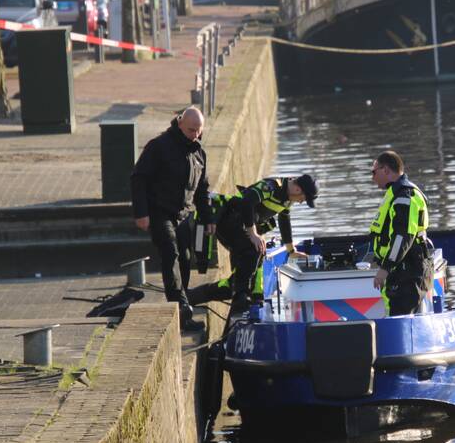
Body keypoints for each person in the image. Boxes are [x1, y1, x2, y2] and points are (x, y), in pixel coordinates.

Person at [130, 107, 214, 331]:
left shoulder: (199, 153)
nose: (195, 134)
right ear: (179, 124)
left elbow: (202, 190)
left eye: (199, 131)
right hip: (159, 211)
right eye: (191, 130)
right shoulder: (159, 147)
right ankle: (181, 307)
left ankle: (181, 308)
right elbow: (138, 178)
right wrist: (141, 212)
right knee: (170, 252)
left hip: (183, 214)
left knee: (185, 260)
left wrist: (208, 219)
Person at [195, 175, 318, 312]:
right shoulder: (271, 186)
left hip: (243, 228)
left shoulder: (288, 198)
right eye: (303, 198)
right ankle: (240, 297)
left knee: (246, 273)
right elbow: (247, 202)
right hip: (230, 220)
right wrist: (252, 233)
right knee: (253, 251)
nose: (301, 202)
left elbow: (284, 219)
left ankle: (246, 297)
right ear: (297, 189)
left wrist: (291, 250)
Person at [369, 150, 433, 316]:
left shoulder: (405, 197)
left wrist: (385, 268)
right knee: (396, 316)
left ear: (386, 170)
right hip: (401, 270)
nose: (372, 177)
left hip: (408, 271)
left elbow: (402, 237)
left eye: (374, 172)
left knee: (401, 320)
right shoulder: (395, 193)